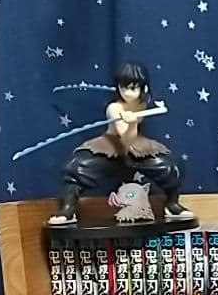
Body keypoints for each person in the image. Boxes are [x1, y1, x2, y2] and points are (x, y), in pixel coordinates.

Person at [48, 62, 192, 225]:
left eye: (133, 88)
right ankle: (68, 209)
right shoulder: (114, 108)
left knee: (171, 167)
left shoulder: (142, 104)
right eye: (124, 87)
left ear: (143, 88)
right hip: (111, 145)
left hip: (136, 145)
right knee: (76, 167)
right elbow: (126, 138)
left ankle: (172, 204)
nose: (128, 93)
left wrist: (133, 121)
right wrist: (131, 122)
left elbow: (132, 141)